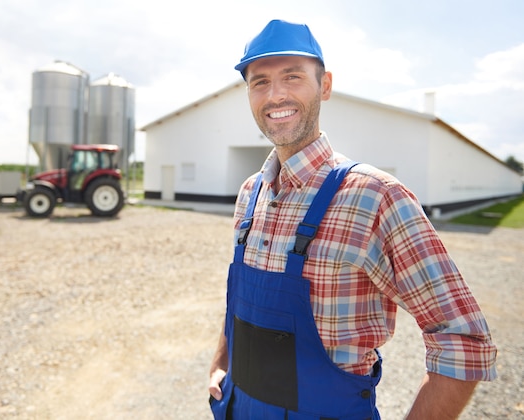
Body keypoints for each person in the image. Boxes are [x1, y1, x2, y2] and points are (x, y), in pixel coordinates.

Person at [208, 19, 497, 419]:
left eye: (292, 77)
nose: (275, 95)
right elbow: (239, 302)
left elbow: (462, 338)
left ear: (324, 86)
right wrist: (221, 363)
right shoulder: (249, 194)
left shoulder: (375, 196)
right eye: (259, 82)